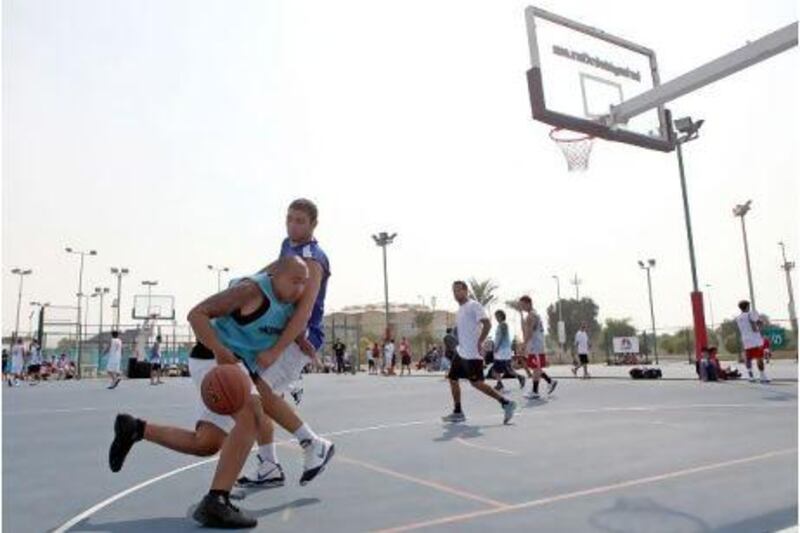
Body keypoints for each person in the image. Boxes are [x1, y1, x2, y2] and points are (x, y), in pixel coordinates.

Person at [109, 256, 331, 528]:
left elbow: (285, 326)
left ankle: (136, 428)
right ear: (276, 277)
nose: (301, 289)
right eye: (295, 281)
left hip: (233, 366)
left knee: (206, 443)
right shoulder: (251, 291)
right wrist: (218, 349)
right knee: (253, 415)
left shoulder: (289, 307)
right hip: (212, 358)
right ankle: (217, 501)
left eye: (305, 283)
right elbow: (196, 314)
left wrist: (301, 341)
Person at [237, 198, 335, 490]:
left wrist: (277, 349)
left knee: (259, 391)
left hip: (300, 335)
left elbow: (304, 310)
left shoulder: (314, 259)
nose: (293, 225)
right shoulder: (288, 245)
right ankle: (268, 466)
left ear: (313, 225)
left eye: (300, 221)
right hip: (281, 330)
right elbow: (274, 270)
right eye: (289, 218)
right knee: (255, 396)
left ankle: (313, 443)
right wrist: (248, 281)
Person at [441, 281, 516, 424]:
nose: (456, 294)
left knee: (477, 383)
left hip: (472, 354)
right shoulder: (460, 310)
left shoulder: (473, 305)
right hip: (461, 352)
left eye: (458, 290)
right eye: (454, 291)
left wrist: (480, 341)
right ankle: (458, 412)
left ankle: (506, 403)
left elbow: (487, 324)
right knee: (452, 379)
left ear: (466, 290)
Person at [518, 296, 558, 399]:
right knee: (535, 367)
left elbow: (529, 332)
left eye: (522, 305)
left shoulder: (531, 316)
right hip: (537, 345)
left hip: (535, 345)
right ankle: (550, 381)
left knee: (536, 368)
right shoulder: (535, 314)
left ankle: (535, 391)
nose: (521, 307)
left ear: (528, 303)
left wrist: (524, 344)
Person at [489, 310, 526, 392]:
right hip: (501, 351)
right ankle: (500, 384)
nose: (496, 318)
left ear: (500, 316)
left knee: (507, 369)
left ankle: (520, 377)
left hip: (503, 351)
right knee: (496, 368)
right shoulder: (500, 325)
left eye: (497, 316)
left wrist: (496, 347)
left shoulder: (503, 325)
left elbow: (501, 337)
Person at [735, 300, 769, 383]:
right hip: (755, 340)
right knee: (759, 358)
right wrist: (760, 326)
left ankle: (751, 376)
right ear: (747, 307)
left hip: (746, 340)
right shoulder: (750, 314)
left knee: (748, 359)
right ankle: (762, 376)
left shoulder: (738, 318)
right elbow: (754, 328)